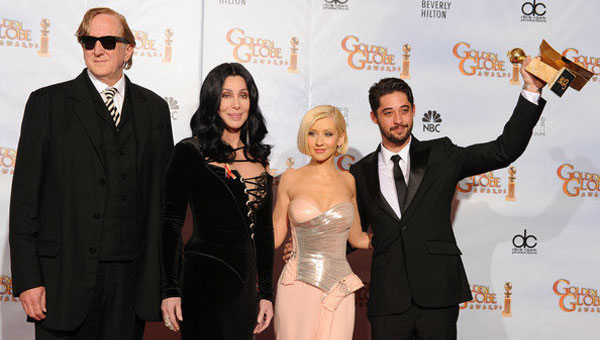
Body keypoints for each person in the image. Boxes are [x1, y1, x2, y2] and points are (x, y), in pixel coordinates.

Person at [349, 57, 545, 339]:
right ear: (374, 116)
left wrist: (531, 91)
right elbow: (352, 235)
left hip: (438, 294)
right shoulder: (360, 172)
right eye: (389, 113)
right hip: (388, 299)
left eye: (404, 110)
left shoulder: (441, 154)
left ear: (414, 110)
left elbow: (504, 150)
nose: (399, 120)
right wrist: (307, 249)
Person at [9, 7, 174, 340]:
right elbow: (25, 201)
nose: (98, 49)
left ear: (128, 49)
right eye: (89, 41)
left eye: (108, 41)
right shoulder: (47, 105)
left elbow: (164, 204)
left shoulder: (154, 110)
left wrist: (168, 281)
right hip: (63, 281)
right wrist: (28, 279)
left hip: (131, 286)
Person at [160, 62, 274, 339]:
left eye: (243, 95)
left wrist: (266, 294)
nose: (236, 105)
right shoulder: (191, 151)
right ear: (213, 101)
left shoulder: (259, 159)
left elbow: (264, 232)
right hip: (203, 282)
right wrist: (170, 290)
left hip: (244, 289)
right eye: (226, 95)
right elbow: (171, 223)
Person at [272, 105, 371, 340]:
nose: (319, 141)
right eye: (312, 133)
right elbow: (275, 235)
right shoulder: (290, 177)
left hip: (340, 288)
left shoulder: (349, 181)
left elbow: (356, 238)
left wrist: (399, 234)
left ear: (340, 138)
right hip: (296, 287)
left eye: (327, 134)